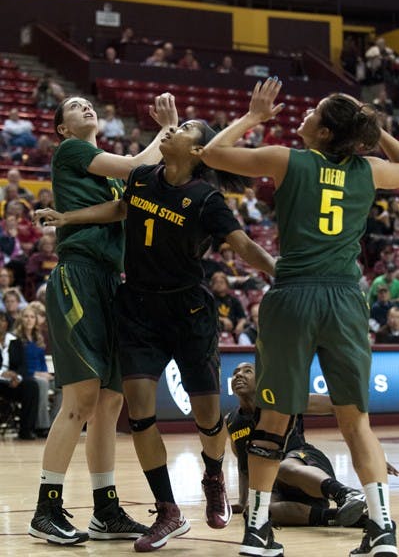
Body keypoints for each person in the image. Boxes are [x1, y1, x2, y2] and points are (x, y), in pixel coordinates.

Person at [35, 117, 276, 552]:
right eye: (173, 126)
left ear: (198, 150)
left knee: (191, 415)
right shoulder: (139, 176)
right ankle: (164, 509)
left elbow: (241, 245)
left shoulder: (206, 197)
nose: (172, 130)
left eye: (183, 128)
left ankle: (210, 474)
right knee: (125, 409)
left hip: (186, 311)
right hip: (136, 307)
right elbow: (121, 207)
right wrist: (67, 217)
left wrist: (281, 272)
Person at [200, 78, 398, 556]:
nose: (304, 117)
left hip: (293, 296)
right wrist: (376, 131)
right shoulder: (368, 170)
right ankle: (383, 531)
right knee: (357, 424)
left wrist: (253, 116)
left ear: (326, 133)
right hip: (345, 299)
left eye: (314, 113)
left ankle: (257, 532)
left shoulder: (286, 158)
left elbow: (210, 154)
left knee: (272, 420)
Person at [28, 92, 178, 546]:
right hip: (79, 274)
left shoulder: (108, 177)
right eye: (75, 106)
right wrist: (166, 130)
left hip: (113, 280)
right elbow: (137, 167)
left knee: (112, 402)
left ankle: (105, 509)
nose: (86, 108)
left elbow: (125, 199)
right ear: (62, 128)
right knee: (82, 396)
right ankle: (46, 507)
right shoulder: (73, 150)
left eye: (88, 104)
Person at [227, 362, 370, 527]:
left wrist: (365, 444)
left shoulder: (283, 401)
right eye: (236, 372)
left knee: (283, 467)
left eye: (247, 371)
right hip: (277, 485)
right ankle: (335, 517)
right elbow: (244, 466)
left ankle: (345, 493)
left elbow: (338, 406)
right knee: (255, 511)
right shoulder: (231, 422)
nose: (238, 374)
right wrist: (242, 501)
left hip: (305, 462)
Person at [13, 305, 61, 437]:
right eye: (26, 317)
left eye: (32, 317)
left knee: (61, 386)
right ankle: (42, 426)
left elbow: (42, 362)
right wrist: (37, 374)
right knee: (42, 384)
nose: (29, 320)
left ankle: (53, 423)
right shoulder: (16, 340)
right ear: (21, 319)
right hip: (28, 376)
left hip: (41, 374)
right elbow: (17, 365)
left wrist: (46, 374)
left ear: (35, 320)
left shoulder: (38, 339)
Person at [0, 310, 39, 440]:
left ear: (7, 323)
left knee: (32, 386)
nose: (0, 323)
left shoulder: (15, 342)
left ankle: (26, 431)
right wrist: (2, 374)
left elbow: (23, 366)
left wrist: (17, 377)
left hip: (12, 383)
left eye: (3, 320)